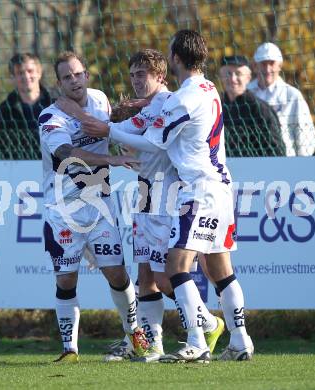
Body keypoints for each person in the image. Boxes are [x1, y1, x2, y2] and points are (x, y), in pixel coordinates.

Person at [78, 30, 254, 362]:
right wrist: (125, 118)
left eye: (141, 73)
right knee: (217, 268)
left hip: (193, 190)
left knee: (174, 267)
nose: (136, 80)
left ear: (173, 59)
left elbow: (155, 139)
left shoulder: (183, 98)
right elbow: (147, 121)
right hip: (204, 188)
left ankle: (198, 338)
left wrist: (109, 130)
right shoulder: (208, 88)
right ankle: (238, 340)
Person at [38, 51, 148, 363]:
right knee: (66, 279)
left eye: (77, 74)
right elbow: (66, 151)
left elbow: (113, 132)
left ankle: (134, 335)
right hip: (64, 209)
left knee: (116, 272)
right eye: (66, 77)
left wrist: (122, 145)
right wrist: (112, 159)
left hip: (99, 203)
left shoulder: (100, 101)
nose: (74, 80)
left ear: (87, 75)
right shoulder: (51, 118)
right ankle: (70, 348)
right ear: (59, 83)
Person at [248, 42, 315, 156]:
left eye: (272, 63)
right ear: (255, 66)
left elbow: (305, 133)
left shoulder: (292, 95)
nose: (267, 69)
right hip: (251, 160)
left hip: (285, 162)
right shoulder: (246, 94)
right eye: (263, 64)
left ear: (280, 66)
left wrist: (302, 163)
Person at [219, 55, 286, 157]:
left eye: (238, 73)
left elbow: (276, 150)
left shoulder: (260, 109)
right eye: (228, 73)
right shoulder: (215, 107)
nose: (233, 79)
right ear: (221, 76)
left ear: (248, 78)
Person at [0, 53, 52, 159]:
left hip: (55, 169)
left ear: (39, 72)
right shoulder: (2, 111)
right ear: (12, 77)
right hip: (18, 171)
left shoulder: (56, 104)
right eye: (20, 73)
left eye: (30, 71)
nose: (26, 76)